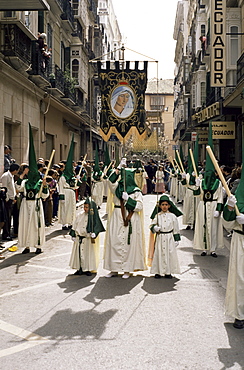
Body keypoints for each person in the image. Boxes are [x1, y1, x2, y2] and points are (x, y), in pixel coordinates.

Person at [104, 158, 147, 279]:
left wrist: (129, 200)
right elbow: (110, 180)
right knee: (114, 241)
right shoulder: (117, 188)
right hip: (117, 215)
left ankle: (128, 269)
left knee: (130, 244)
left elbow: (139, 206)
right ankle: (114, 269)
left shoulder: (136, 191)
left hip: (131, 217)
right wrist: (118, 168)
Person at [16, 124, 49, 254]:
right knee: (25, 225)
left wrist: (45, 186)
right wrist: (22, 175)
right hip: (25, 205)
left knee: (36, 225)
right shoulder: (24, 181)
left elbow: (45, 196)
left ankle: (38, 245)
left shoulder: (40, 182)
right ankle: (26, 246)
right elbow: (18, 188)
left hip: (36, 205)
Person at [222, 191, 244, 329]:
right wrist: (229, 208)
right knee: (239, 278)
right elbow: (227, 224)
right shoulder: (239, 196)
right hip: (240, 240)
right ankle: (240, 314)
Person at [148, 194, 182, 279]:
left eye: (166, 205)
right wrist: (154, 228)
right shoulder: (157, 216)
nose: (164, 207)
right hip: (160, 237)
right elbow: (152, 225)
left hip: (169, 237)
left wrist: (176, 239)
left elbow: (176, 228)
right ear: (159, 206)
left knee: (169, 254)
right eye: (162, 205)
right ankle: (157, 271)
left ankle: (168, 272)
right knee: (159, 253)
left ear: (169, 206)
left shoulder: (172, 216)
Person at [69, 197, 105, 276]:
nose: (85, 209)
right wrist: (73, 234)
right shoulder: (80, 215)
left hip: (87, 239)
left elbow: (97, 226)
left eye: (87, 207)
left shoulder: (93, 217)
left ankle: (87, 269)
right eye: (84, 207)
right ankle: (79, 268)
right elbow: (75, 225)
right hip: (79, 238)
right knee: (79, 254)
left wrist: (95, 233)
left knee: (87, 254)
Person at [0, 163, 20, 241]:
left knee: (9, 217)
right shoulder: (5, 176)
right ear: (15, 170)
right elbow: (5, 188)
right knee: (6, 218)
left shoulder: (11, 176)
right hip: (7, 200)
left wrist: (14, 197)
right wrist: (7, 198)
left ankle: (8, 233)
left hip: (12, 198)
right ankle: (5, 234)